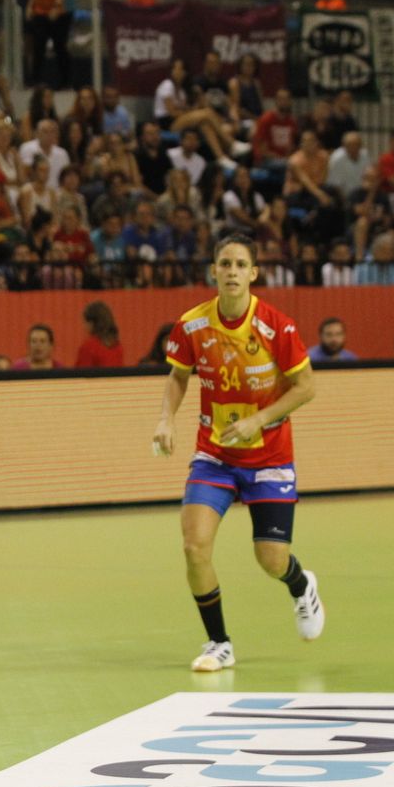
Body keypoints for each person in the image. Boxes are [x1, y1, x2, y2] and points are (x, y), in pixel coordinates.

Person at [152, 234, 324, 673]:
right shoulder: (192, 325)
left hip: (269, 458)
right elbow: (178, 377)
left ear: (253, 273)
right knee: (194, 546)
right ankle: (218, 642)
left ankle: (301, 585)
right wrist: (166, 419)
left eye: (240, 264)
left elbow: (306, 387)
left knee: (271, 560)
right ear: (214, 271)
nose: (231, 271)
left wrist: (258, 420)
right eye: (224, 263)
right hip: (214, 455)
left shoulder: (276, 327)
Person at [75, 301, 123, 367]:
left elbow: (79, 374)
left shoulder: (89, 347)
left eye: (85, 322)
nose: (84, 327)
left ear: (92, 324)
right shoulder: (118, 347)